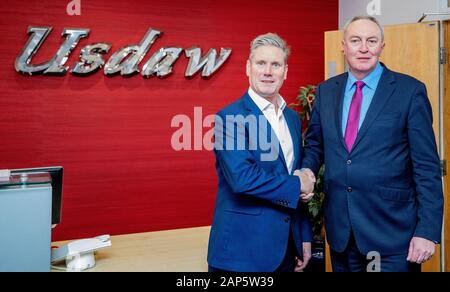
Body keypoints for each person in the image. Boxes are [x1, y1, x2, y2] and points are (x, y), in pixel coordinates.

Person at [301, 16, 444, 272]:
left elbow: (427, 167)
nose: (364, 48)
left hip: (393, 237)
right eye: (356, 41)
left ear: (382, 46)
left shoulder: (409, 91)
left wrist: (427, 231)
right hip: (342, 235)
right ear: (344, 46)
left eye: (371, 41)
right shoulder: (326, 91)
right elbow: (315, 145)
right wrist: (307, 171)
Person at [207, 33, 315, 272]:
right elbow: (243, 179)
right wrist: (299, 185)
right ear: (248, 68)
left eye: (275, 65)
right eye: (261, 63)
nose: (268, 71)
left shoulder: (292, 118)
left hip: (286, 251)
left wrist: (303, 235)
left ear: (285, 71)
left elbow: (294, 174)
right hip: (241, 254)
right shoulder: (230, 118)